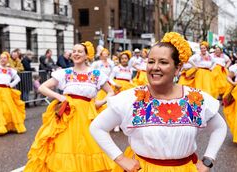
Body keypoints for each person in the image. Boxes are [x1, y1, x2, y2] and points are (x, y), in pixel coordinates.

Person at [90, 32, 227, 172]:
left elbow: (220, 127)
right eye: (151, 61)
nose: (155, 67)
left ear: (177, 68)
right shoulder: (131, 98)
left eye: (163, 62)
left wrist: (208, 160)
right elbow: (97, 127)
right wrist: (120, 159)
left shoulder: (195, 99)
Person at [24, 41, 115, 171]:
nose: (76, 54)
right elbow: (43, 87)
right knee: (65, 145)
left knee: (89, 146)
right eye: (74, 51)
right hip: (68, 115)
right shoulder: (65, 73)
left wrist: (100, 102)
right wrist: (59, 96)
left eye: (79, 51)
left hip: (87, 116)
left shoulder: (96, 74)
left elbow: (111, 92)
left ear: (86, 55)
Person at [0, 52, 26, 134]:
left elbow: (18, 78)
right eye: (1, 58)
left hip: (6, 91)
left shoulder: (11, 70)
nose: (2, 59)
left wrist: (11, 84)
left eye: (4, 58)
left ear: (8, 59)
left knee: (6, 109)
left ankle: (5, 126)